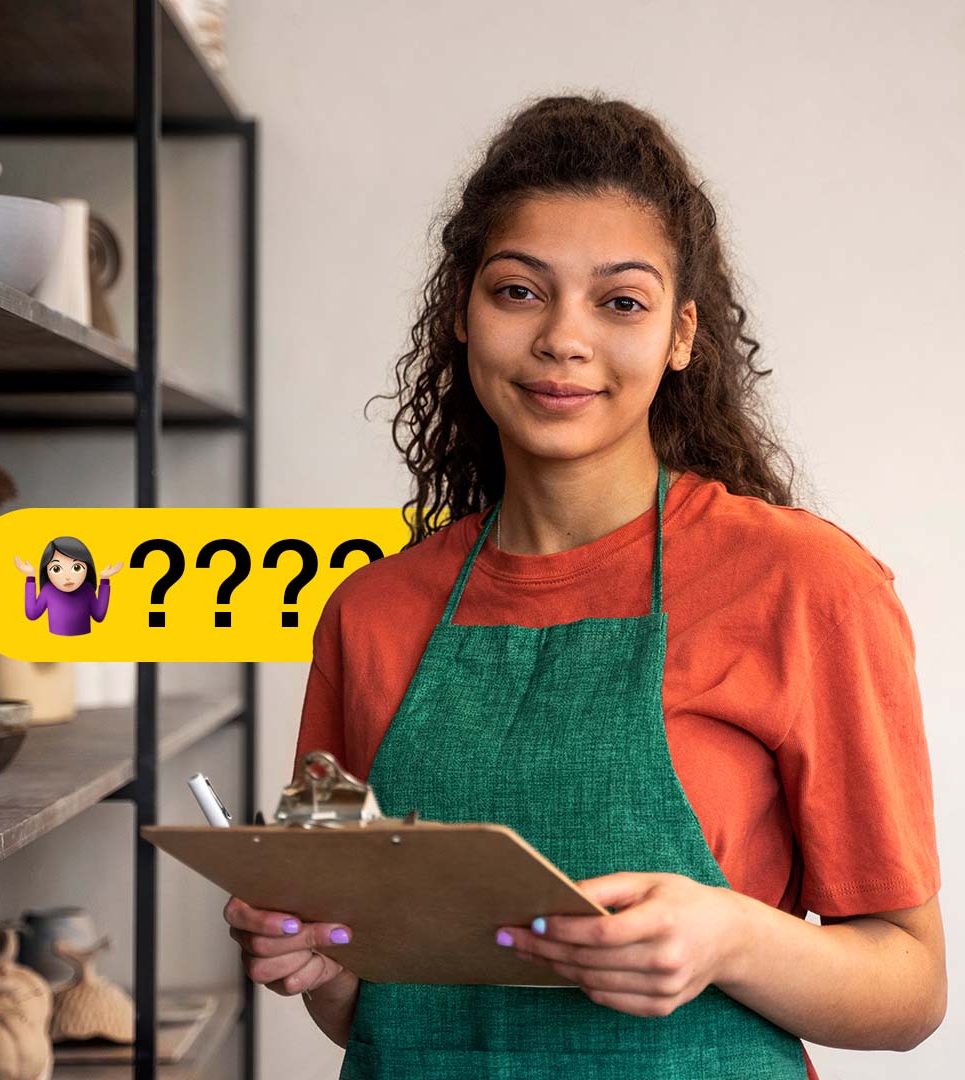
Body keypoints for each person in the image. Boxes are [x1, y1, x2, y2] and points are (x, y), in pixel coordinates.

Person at [224, 94, 945, 1078]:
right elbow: (374, 1008)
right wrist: (315, 954)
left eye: (621, 301)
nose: (565, 338)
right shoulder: (371, 612)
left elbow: (911, 988)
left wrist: (732, 937)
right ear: (462, 315)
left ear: (682, 334)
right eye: (520, 291)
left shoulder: (803, 584)